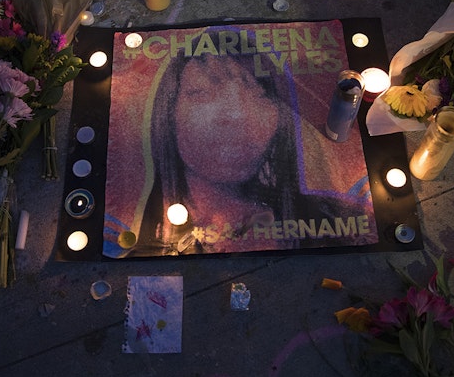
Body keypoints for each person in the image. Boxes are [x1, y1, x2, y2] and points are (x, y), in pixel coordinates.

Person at [106, 29, 376, 258]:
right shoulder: (131, 242)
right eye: (201, 93)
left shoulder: (335, 221)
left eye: (258, 94)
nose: (237, 113)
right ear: (166, 114)